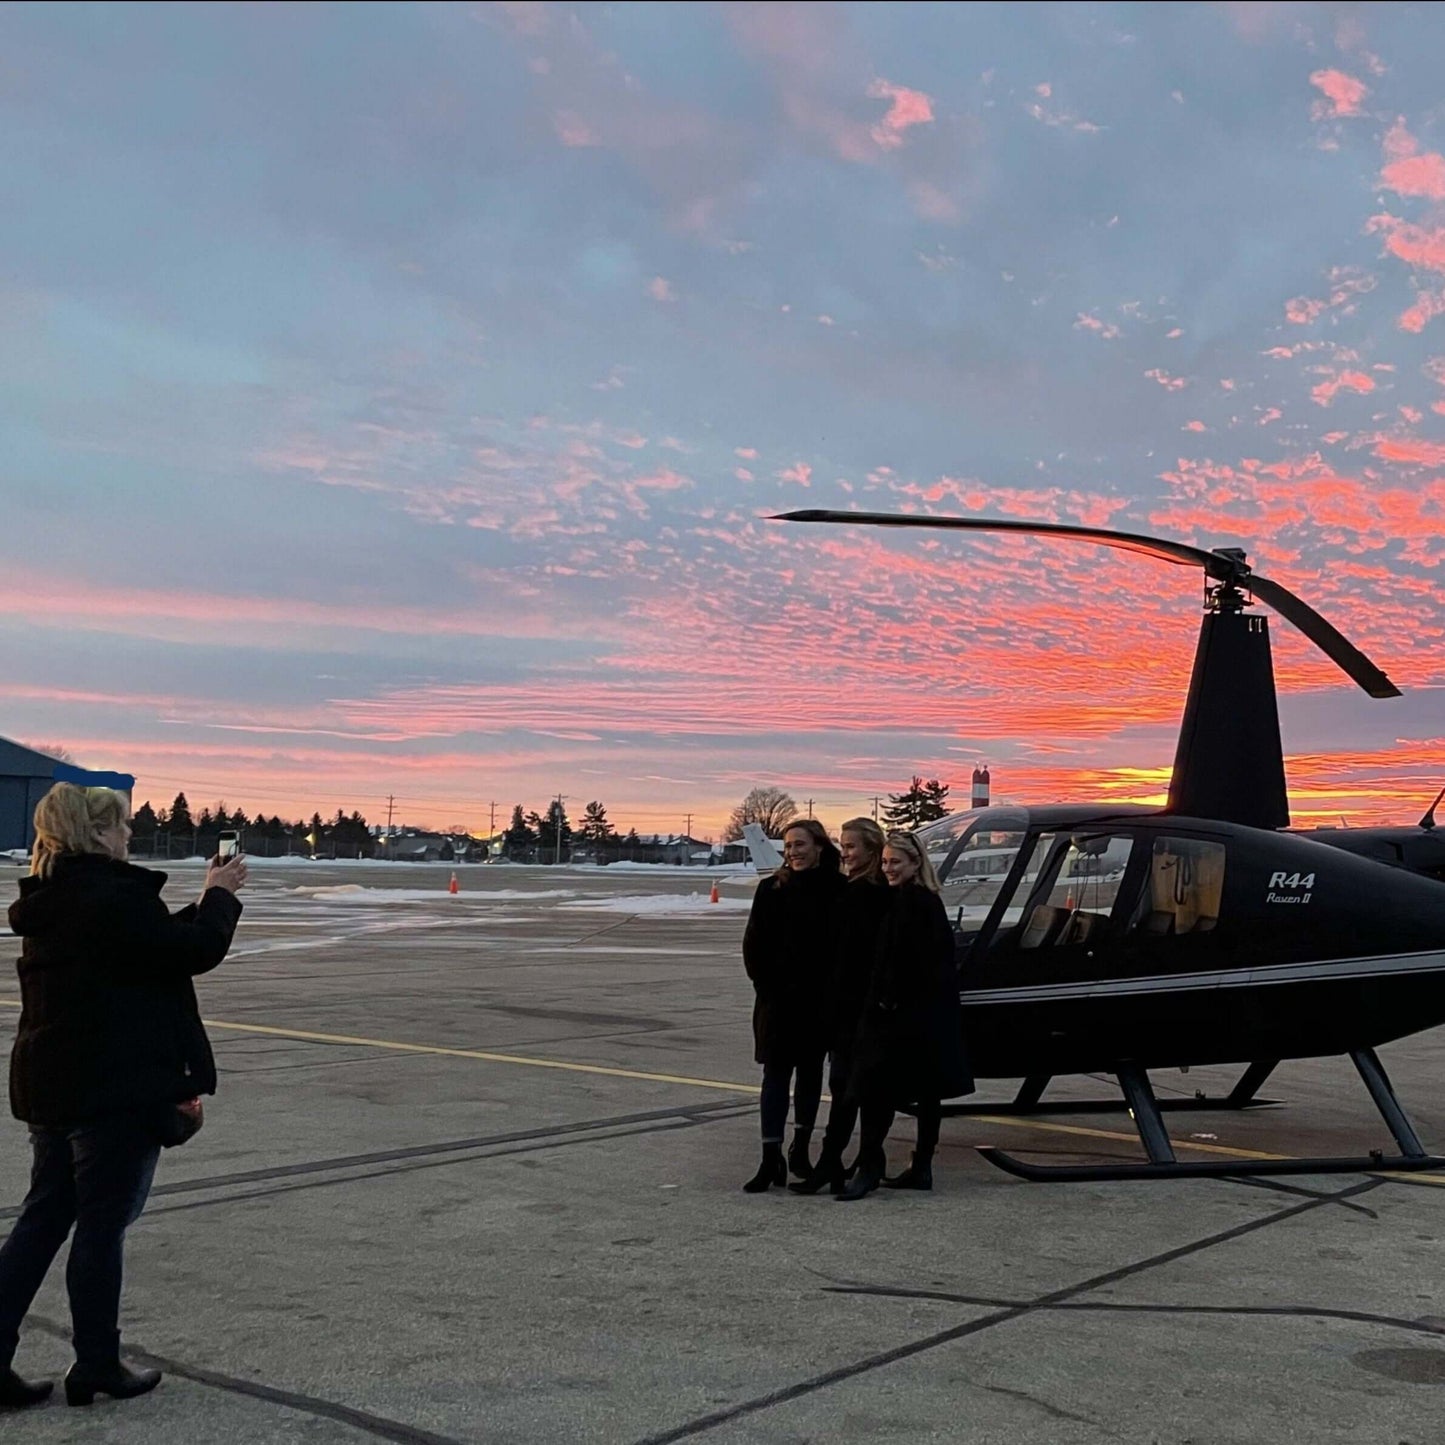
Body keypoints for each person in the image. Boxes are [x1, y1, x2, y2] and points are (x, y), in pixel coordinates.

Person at [0, 784, 246, 1410]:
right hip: (114, 1089)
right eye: (121, 828)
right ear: (97, 835)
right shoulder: (110, 897)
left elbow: (145, 951)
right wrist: (220, 900)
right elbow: (192, 953)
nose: (130, 836)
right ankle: (97, 1363)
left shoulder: (58, 898)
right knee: (101, 1227)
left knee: (42, 1219)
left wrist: (200, 900)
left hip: (56, 1085)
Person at [837, 829, 972, 1202]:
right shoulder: (916, 900)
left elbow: (913, 962)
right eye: (884, 862)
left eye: (895, 862)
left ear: (916, 863)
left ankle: (870, 1166)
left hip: (905, 1016)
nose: (889, 868)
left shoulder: (915, 904)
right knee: (927, 1094)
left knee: (874, 1088)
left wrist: (887, 1001)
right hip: (922, 1015)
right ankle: (920, 1166)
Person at [740, 819, 846, 1192]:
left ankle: (801, 1147)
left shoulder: (838, 890)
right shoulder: (771, 889)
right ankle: (771, 1157)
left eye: (800, 844)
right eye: (788, 846)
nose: (793, 852)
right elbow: (753, 945)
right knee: (775, 1076)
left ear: (819, 846)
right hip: (777, 1002)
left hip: (818, 1003)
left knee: (810, 1075)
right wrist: (767, 988)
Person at [790, 817, 890, 1195]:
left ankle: (864, 1160)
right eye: (843, 846)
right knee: (842, 1084)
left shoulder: (872, 894)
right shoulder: (852, 889)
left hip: (861, 1008)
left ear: (871, 850)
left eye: (851, 847)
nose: (845, 853)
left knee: (861, 1087)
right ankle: (831, 1161)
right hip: (842, 1007)